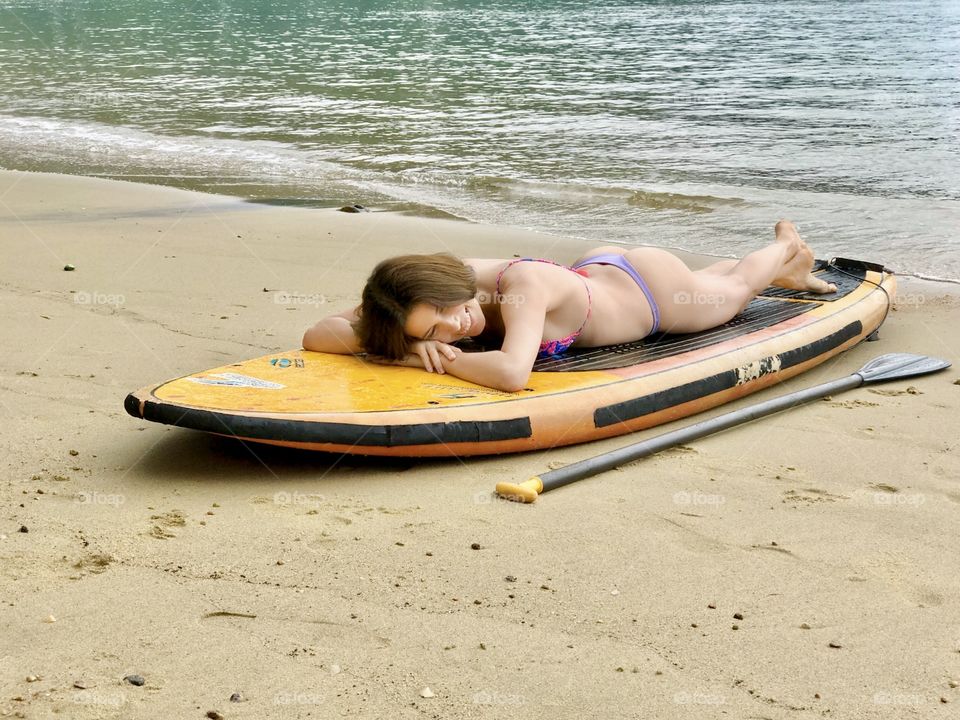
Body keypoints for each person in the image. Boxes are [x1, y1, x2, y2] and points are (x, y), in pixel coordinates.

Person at [302, 220, 836, 392]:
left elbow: (513, 373)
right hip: (599, 278)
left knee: (740, 289)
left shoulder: (518, 287)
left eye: (446, 309)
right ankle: (788, 270)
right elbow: (318, 334)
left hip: (656, 300)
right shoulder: (406, 299)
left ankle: (787, 246)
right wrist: (410, 348)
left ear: (448, 283)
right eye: (434, 330)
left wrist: (439, 358)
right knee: (715, 282)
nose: (454, 326)